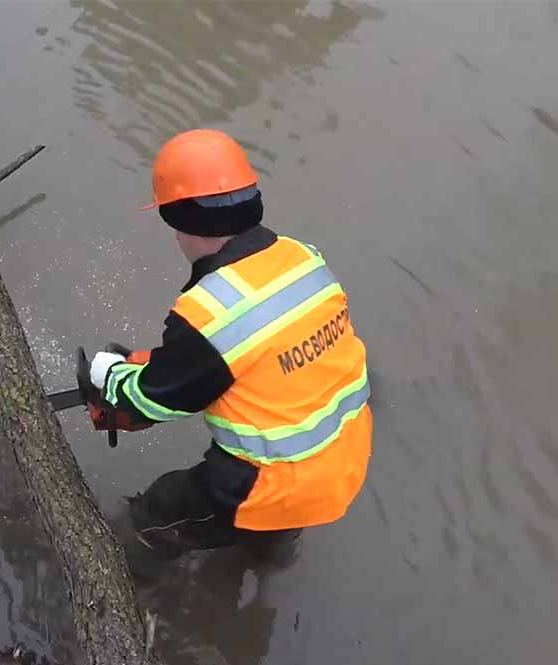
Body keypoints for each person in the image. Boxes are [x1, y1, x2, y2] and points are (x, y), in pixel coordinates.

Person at [88, 129, 372, 564]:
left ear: (176, 218)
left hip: (270, 485)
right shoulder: (302, 258)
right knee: (273, 527)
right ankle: (272, 558)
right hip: (344, 456)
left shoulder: (208, 313)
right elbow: (261, 351)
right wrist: (166, 361)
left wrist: (111, 379)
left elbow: (156, 401)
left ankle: (134, 581)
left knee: (160, 509)